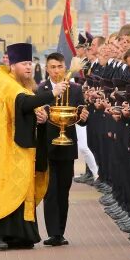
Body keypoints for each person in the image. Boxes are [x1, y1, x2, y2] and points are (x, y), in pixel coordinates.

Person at [0, 43, 66, 250]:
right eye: (23, 63)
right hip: (7, 150)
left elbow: (27, 109)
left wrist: (41, 116)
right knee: (5, 188)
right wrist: (52, 93)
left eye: (30, 63)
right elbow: (24, 103)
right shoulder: (7, 83)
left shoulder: (23, 84)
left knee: (20, 189)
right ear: (12, 65)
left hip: (21, 149)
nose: (28, 67)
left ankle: (20, 235)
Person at [38, 53, 89, 246]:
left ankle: (61, 230)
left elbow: (82, 119)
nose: (57, 70)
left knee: (63, 191)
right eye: (53, 67)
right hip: (48, 146)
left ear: (65, 67)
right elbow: (36, 117)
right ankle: (53, 233)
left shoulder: (75, 90)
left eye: (60, 66)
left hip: (67, 148)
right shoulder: (41, 90)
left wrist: (84, 117)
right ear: (46, 69)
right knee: (50, 191)